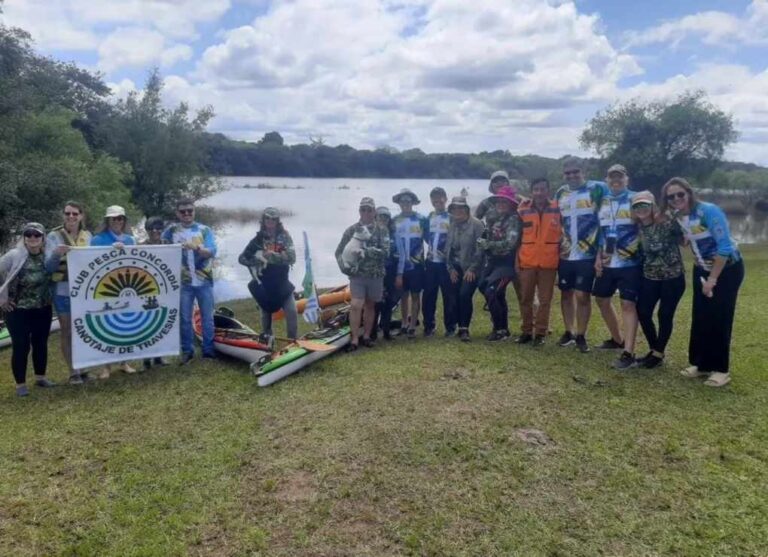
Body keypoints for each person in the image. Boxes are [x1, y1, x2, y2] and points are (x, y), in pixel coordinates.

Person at [662, 177, 744, 388]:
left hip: (726, 270)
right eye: (671, 196)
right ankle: (701, 364)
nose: (676, 198)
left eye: (680, 194)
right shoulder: (679, 215)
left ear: (689, 192)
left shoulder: (708, 211)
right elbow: (685, 239)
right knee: (701, 316)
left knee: (720, 317)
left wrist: (713, 280)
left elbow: (724, 247)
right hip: (701, 268)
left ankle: (721, 370)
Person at [556, 158, 608, 353]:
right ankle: (568, 331)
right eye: (568, 173)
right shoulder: (561, 192)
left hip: (588, 253)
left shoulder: (597, 189)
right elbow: (557, 220)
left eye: (575, 172)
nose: (571, 176)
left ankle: (581, 334)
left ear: (583, 171)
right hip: (566, 253)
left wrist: (600, 252)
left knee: (582, 295)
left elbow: (607, 218)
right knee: (566, 294)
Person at [593, 164, 642, 369]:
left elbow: (645, 226)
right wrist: (597, 257)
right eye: (612, 177)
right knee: (601, 299)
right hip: (607, 261)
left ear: (626, 179)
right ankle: (617, 339)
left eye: (619, 177)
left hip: (631, 262)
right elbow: (600, 233)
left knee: (628, 305)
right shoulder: (602, 202)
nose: (616, 180)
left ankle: (628, 352)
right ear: (607, 180)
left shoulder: (636, 199)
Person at [0, 223, 55, 396]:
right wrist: (3, 299)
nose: (32, 238)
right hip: (18, 310)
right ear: (24, 237)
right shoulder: (14, 255)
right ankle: (20, 384)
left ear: (43, 237)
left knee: (40, 343)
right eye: (28, 234)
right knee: (21, 346)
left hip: (42, 308)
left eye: (36, 235)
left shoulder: (48, 255)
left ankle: (40, 377)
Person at [632, 191, 686, 369]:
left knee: (665, 314)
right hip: (650, 276)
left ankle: (657, 353)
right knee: (643, 311)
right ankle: (655, 349)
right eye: (637, 206)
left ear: (653, 206)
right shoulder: (638, 229)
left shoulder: (667, 222)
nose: (641, 209)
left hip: (673, 277)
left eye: (645, 205)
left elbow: (684, 236)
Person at [162, 199, 217, 364]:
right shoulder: (171, 230)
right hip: (183, 282)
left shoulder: (204, 230)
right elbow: (160, 247)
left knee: (207, 317)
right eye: (183, 211)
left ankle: (208, 350)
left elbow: (212, 251)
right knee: (185, 318)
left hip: (204, 280)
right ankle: (187, 351)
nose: (187, 214)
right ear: (177, 213)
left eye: (190, 211)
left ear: (194, 212)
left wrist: (197, 248)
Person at [44, 201, 92, 384]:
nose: (71, 217)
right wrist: (56, 254)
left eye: (74, 214)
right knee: (67, 330)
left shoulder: (87, 236)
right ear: (63, 215)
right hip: (63, 290)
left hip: (84, 290)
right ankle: (73, 371)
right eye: (67, 213)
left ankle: (83, 367)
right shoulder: (54, 236)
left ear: (81, 216)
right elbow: (48, 268)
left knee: (83, 328)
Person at [335, 197, 390, 350]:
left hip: (375, 275)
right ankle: (354, 339)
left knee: (370, 305)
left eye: (369, 210)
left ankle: (366, 336)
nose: (366, 213)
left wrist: (367, 252)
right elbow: (339, 252)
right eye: (363, 209)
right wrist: (345, 268)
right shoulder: (351, 230)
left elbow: (386, 252)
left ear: (374, 212)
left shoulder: (382, 230)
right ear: (359, 211)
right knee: (355, 304)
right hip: (357, 275)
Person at [91, 205, 138, 378]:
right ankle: (106, 366)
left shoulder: (130, 240)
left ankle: (124, 362)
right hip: (105, 287)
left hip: (126, 285)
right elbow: (91, 262)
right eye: (114, 218)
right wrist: (111, 249)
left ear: (124, 221)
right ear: (108, 220)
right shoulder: (97, 239)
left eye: (120, 218)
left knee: (125, 326)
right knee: (107, 325)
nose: (117, 221)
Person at [516, 178, 561, 347]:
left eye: (542, 189)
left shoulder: (558, 208)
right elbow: (517, 238)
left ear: (548, 191)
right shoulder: (523, 209)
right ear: (531, 191)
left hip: (549, 262)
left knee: (545, 300)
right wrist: (516, 261)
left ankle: (540, 333)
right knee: (525, 298)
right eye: (536, 190)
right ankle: (526, 331)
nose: (539, 193)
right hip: (527, 260)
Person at [477, 186, 521, 341]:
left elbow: (510, 243)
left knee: (492, 291)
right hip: (493, 262)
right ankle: (503, 327)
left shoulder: (514, 219)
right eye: (499, 202)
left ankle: (499, 329)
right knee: (484, 286)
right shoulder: (496, 219)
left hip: (506, 263)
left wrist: (487, 244)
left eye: (505, 202)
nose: (501, 204)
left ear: (511, 204)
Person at [445, 196, 485, 342]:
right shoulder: (452, 224)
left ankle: (464, 329)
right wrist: (450, 268)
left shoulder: (477, 224)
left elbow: (481, 249)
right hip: (455, 266)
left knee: (464, 294)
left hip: (471, 267)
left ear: (467, 209)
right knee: (452, 295)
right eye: (454, 208)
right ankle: (455, 325)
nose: (458, 211)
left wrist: (472, 269)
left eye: (461, 207)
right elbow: (448, 248)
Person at [392, 188, 429, 339]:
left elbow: (429, 239)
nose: (405, 204)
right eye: (403, 201)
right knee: (403, 294)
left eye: (408, 201)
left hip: (417, 264)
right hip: (400, 264)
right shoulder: (394, 221)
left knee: (415, 295)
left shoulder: (422, 219)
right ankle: (404, 324)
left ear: (413, 202)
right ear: (399, 203)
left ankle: (413, 324)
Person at [422, 186, 454, 337]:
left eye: (440, 197)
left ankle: (450, 326)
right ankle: (429, 326)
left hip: (446, 264)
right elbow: (425, 236)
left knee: (448, 295)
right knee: (429, 295)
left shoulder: (452, 217)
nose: (437, 200)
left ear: (445, 199)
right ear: (431, 201)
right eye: (434, 198)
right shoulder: (429, 217)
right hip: (430, 262)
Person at [140, 216, 169, 370]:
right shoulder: (140, 246)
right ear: (147, 230)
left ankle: (159, 357)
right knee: (146, 325)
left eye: (158, 228)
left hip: (163, 289)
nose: (155, 231)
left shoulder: (168, 245)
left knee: (160, 322)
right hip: (145, 289)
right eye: (152, 229)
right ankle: (145, 360)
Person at [372, 206, 399, 341]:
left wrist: (398, 274)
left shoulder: (393, 234)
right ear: (376, 217)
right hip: (376, 273)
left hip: (391, 272)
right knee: (376, 302)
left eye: (386, 217)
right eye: (380, 216)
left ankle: (387, 331)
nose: (383, 219)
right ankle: (372, 332)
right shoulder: (371, 233)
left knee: (389, 302)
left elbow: (399, 254)